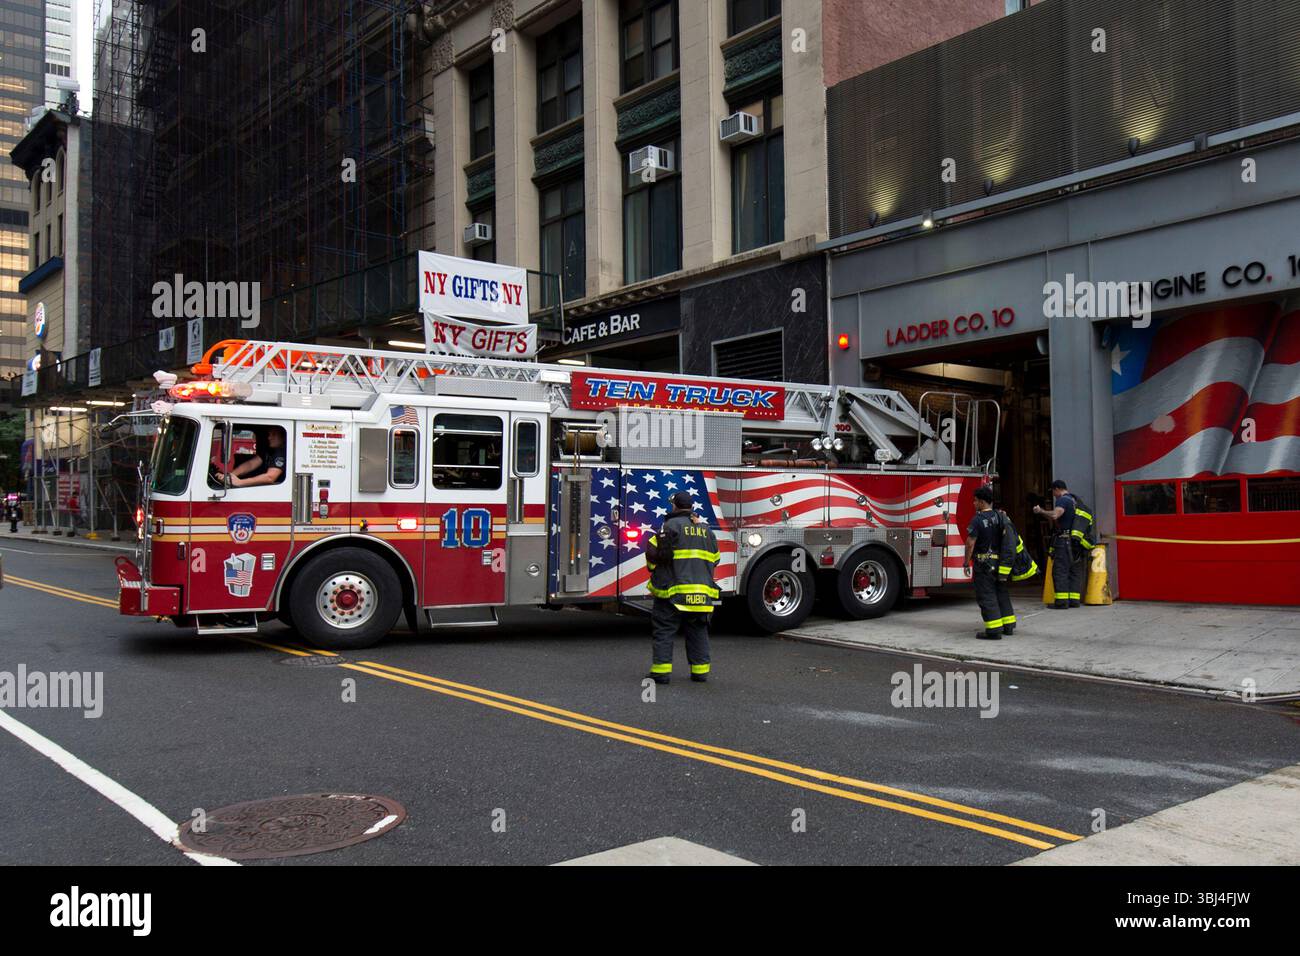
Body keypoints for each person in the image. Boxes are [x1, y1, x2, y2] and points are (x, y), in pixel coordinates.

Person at [644, 491, 720, 684]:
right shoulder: (707, 530)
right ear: (691, 507)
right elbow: (715, 559)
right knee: (698, 630)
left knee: (664, 630)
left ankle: (661, 672)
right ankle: (700, 672)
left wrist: (655, 568)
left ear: (675, 506)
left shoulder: (669, 527)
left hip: (673, 592)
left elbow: (653, 554)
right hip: (702, 594)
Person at [964, 485, 1014, 639]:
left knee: (987, 596)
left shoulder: (978, 520)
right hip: (1000, 565)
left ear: (982, 502)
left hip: (983, 564)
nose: (973, 503)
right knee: (1001, 594)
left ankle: (993, 631)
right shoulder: (1001, 516)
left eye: (975, 501)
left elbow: (970, 543)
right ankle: (1008, 626)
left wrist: (966, 562)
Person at [1034, 478, 1084, 609]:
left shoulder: (1063, 500)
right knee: (1074, 571)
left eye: (1054, 492)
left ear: (1057, 489)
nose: (1054, 495)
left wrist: (1041, 511)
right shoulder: (1075, 501)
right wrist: (1046, 514)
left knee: (1060, 571)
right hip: (1076, 541)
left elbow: (1055, 515)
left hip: (1064, 541)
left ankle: (1061, 602)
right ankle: (1074, 601)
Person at [214, 428, 287, 488]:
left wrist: (240, 482)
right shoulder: (270, 451)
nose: (269, 437)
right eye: (269, 434)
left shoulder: (282, 454)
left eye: (274, 434)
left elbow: (270, 477)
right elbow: (250, 464)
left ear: (283, 437)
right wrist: (229, 476)